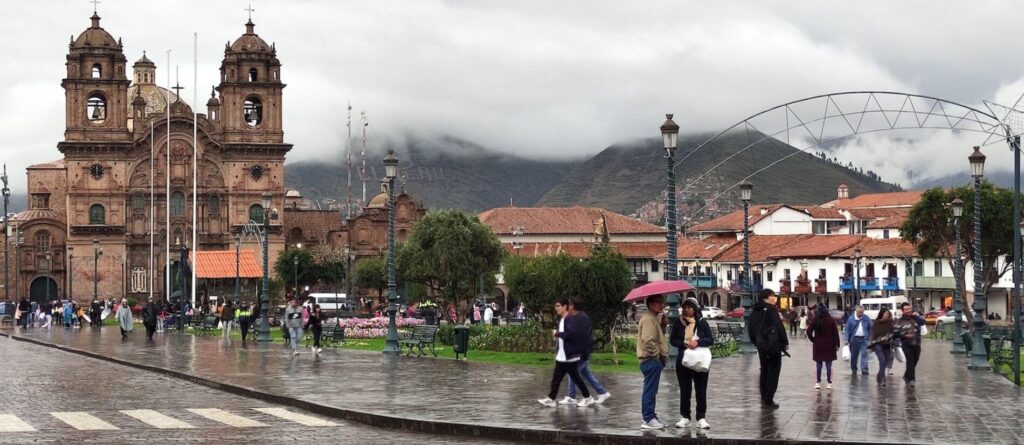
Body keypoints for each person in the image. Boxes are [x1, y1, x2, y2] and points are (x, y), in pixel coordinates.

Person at [537, 297, 595, 408]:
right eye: (556, 306)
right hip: (563, 356)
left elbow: (571, 334)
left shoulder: (570, 319)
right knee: (560, 379)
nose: (556, 308)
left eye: (558, 306)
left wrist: (557, 334)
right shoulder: (563, 319)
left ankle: (587, 398)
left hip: (568, 357)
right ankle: (552, 399)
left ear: (565, 307)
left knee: (573, 379)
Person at [669, 297, 713, 429]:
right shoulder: (679, 323)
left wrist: (697, 342)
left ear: (695, 309)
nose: (687, 309)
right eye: (685, 307)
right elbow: (673, 340)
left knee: (701, 390)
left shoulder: (702, 323)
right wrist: (684, 343)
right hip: (684, 360)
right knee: (685, 390)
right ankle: (685, 416)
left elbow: (710, 340)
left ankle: (701, 417)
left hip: (699, 360)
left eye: (690, 307)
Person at [563, 300, 612, 406]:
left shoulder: (582, 318)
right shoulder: (576, 317)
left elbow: (581, 336)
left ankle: (573, 397)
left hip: (582, 351)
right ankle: (602, 392)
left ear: (572, 306)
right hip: (579, 350)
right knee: (585, 372)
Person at [749, 289, 788, 409]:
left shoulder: (755, 310)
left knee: (764, 369)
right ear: (766, 297)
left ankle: (764, 395)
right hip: (772, 345)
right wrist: (785, 342)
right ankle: (769, 399)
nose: (774, 298)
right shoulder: (771, 309)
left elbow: (751, 329)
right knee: (773, 371)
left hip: (761, 346)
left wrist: (757, 342)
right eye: (772, 295)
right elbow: (779, 326)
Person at [637, 294, 669, 429]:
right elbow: (649, 341)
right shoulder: (649, 319)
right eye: (658, 302)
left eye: (662, 302)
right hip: (650, 360)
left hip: (651, 360)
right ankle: (648, 418)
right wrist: (657, 356)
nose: (661, 304)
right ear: (650, 304)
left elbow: (656, 337)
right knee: (650, 390)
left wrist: (662, 324)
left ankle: (651, 416)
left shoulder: (653, 318)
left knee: (652, 390)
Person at [806, 303, 839, 390]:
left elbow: (808, 331)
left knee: (818, 364)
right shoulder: (831, 320)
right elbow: (835, 333)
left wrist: (813, 339)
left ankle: (817, 383)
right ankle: (829, 383)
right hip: (830, 345)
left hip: (818, 345)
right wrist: (837, 344)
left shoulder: (815, 319)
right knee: (829, 364)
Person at [894, 302, 925, 387]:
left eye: (909, 309)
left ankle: (907, 375)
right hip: (906, 344)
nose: (908, 311)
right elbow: (895, 334)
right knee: (910, 361)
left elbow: (923, 322)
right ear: (902, 311)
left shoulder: (915, 318)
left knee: (915, 360)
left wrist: (917, 316)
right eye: (906, 309)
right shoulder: (900, 321)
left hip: (916, 343)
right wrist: (904, 335)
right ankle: (911, 380)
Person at [868, 308, 895, 386]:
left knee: (885, 362)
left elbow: (895, 332)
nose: (888, 315)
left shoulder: (891, 323)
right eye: (886, 313)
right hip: (878, 345)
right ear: (882, 314)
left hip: (887, 345)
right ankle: (883, 378)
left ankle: (879, 375)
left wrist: (891, 337)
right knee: (882, 361)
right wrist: (870, 346)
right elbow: (872, 335)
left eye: (888, 314)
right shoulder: (876, 323)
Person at [844, 305, 872, 376]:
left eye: (862, 312)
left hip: (864, 339)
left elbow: (871, 328)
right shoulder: (851, 319)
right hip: (854, 340)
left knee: (864, 355)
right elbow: (847, 329)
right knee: (854, 356)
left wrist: (870, 337)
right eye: (859, 312)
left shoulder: (866, 318)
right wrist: (846, 340)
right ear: (856, 311)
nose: (860, 314)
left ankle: (864, 369)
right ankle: (854, 369)